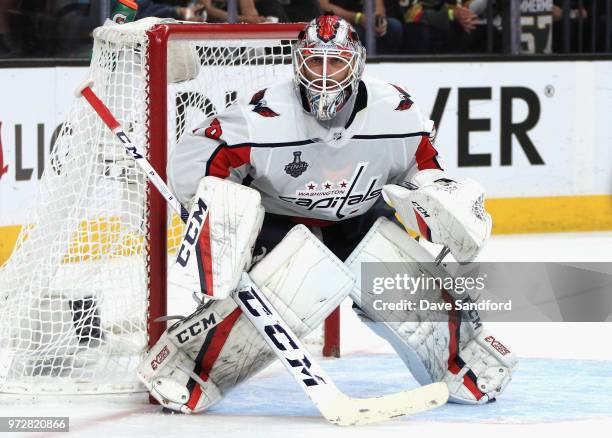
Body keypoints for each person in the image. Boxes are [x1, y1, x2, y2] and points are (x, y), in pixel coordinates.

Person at [137, 14, 517, 414]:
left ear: (356, 64)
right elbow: (197, 162)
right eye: (313, 62)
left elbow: (422, 166)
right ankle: (193, 367)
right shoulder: (261, 115)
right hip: (281, 220)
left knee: (395, 273)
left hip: (357, 215)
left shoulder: (397, 109)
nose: (323, 74)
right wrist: (220, 218)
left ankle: (458, 359)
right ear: (297, 62)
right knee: (288, 285)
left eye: (335, 62)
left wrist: (436, 196)